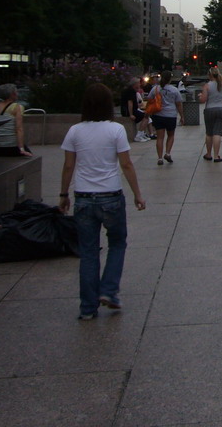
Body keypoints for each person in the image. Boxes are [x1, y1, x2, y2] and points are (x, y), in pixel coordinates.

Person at [58, 83, 145, 320]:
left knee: (88, 252)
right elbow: (126, 164)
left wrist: (64, 195)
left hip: (84, 198)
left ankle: (87, 308)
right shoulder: (115, 130)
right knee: (117, 244)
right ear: (109, 105)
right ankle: (109, 290)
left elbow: (68, 166)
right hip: (111, 196)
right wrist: (137, 193)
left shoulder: (75, 131)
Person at [149, 71, 184, 165]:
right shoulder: (174, 90)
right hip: (171, 115)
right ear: (170, 79)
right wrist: (182, 116)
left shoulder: (156, 88)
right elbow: (179, 104)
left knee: (160, 137)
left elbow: (149, 99)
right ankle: (167, 153)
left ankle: (159, 158)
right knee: (171, 135)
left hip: (158, 115)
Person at [198, 66, 222, 162]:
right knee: (217, 133)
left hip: (209, 110)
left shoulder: (207, 86)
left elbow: (203, 100)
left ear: (209, 75)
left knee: (209, 133)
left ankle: (208, 154)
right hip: (221, 109)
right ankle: (216, 156)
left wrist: (200, 96)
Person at [121, 78, 149, 142]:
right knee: (145, 116)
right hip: (127, 111)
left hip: (132, 109)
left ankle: (142, 134)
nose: (139, 84)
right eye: (138, 83)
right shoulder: (131, 91)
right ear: (135, 84)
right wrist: (131, 114)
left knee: (146, 115)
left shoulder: (131, 90)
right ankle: (139, 135)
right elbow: (130, 103)